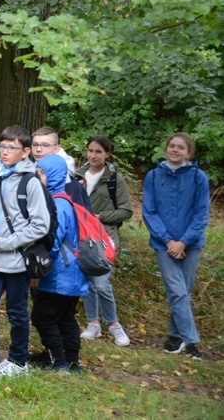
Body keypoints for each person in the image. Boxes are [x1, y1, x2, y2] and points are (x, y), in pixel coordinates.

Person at [0, 126, 49, 380]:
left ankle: (18, 361)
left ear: (26, 151)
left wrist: (3, 243)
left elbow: (40, 225)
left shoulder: (31, 182)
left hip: (16, 261)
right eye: (2, 146)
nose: (5, 152)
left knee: (17, 311)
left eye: (11, 148)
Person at [142, 133, 209, 360]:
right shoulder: (153, 176)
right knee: (177, 290)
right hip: (164, 244)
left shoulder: (198, 177)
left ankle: (175, 336)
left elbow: (201, 214)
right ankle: (192, 343)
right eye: (172, 146)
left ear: (188, 153)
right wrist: (170, 241)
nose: (175, 150)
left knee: (183, 292)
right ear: (166, 149)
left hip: (191, 244)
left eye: (181, 148)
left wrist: (183, 242)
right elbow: (149, 212)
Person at [31, 155, 89, 372]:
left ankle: (59, 361)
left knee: (42, 316)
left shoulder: (57, 204)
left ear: (54, 175)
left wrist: (39, 270)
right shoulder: (64, 200)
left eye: (43, 172)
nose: (38, 176)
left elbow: (53, 243)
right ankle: (72, 361)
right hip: (72, 272)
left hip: (60, 272)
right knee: (65, 317)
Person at [74, 135, 133, 346]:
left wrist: (101, 217)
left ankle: (114, 324)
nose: (93, 155)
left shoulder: (114, 179)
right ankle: (93, 323)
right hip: (81, 237)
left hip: (104, 238)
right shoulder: (77, 176)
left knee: (101, 283)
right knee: (87, 283)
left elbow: (126, 211)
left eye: (98, 151)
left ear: (107, 154)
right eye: (90, 150)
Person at [31, 127, 92, 211]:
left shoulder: (66, 181)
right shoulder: (33, 169)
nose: (38, 149)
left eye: (45, 145)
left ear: (56, 149)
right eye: (35, 145)